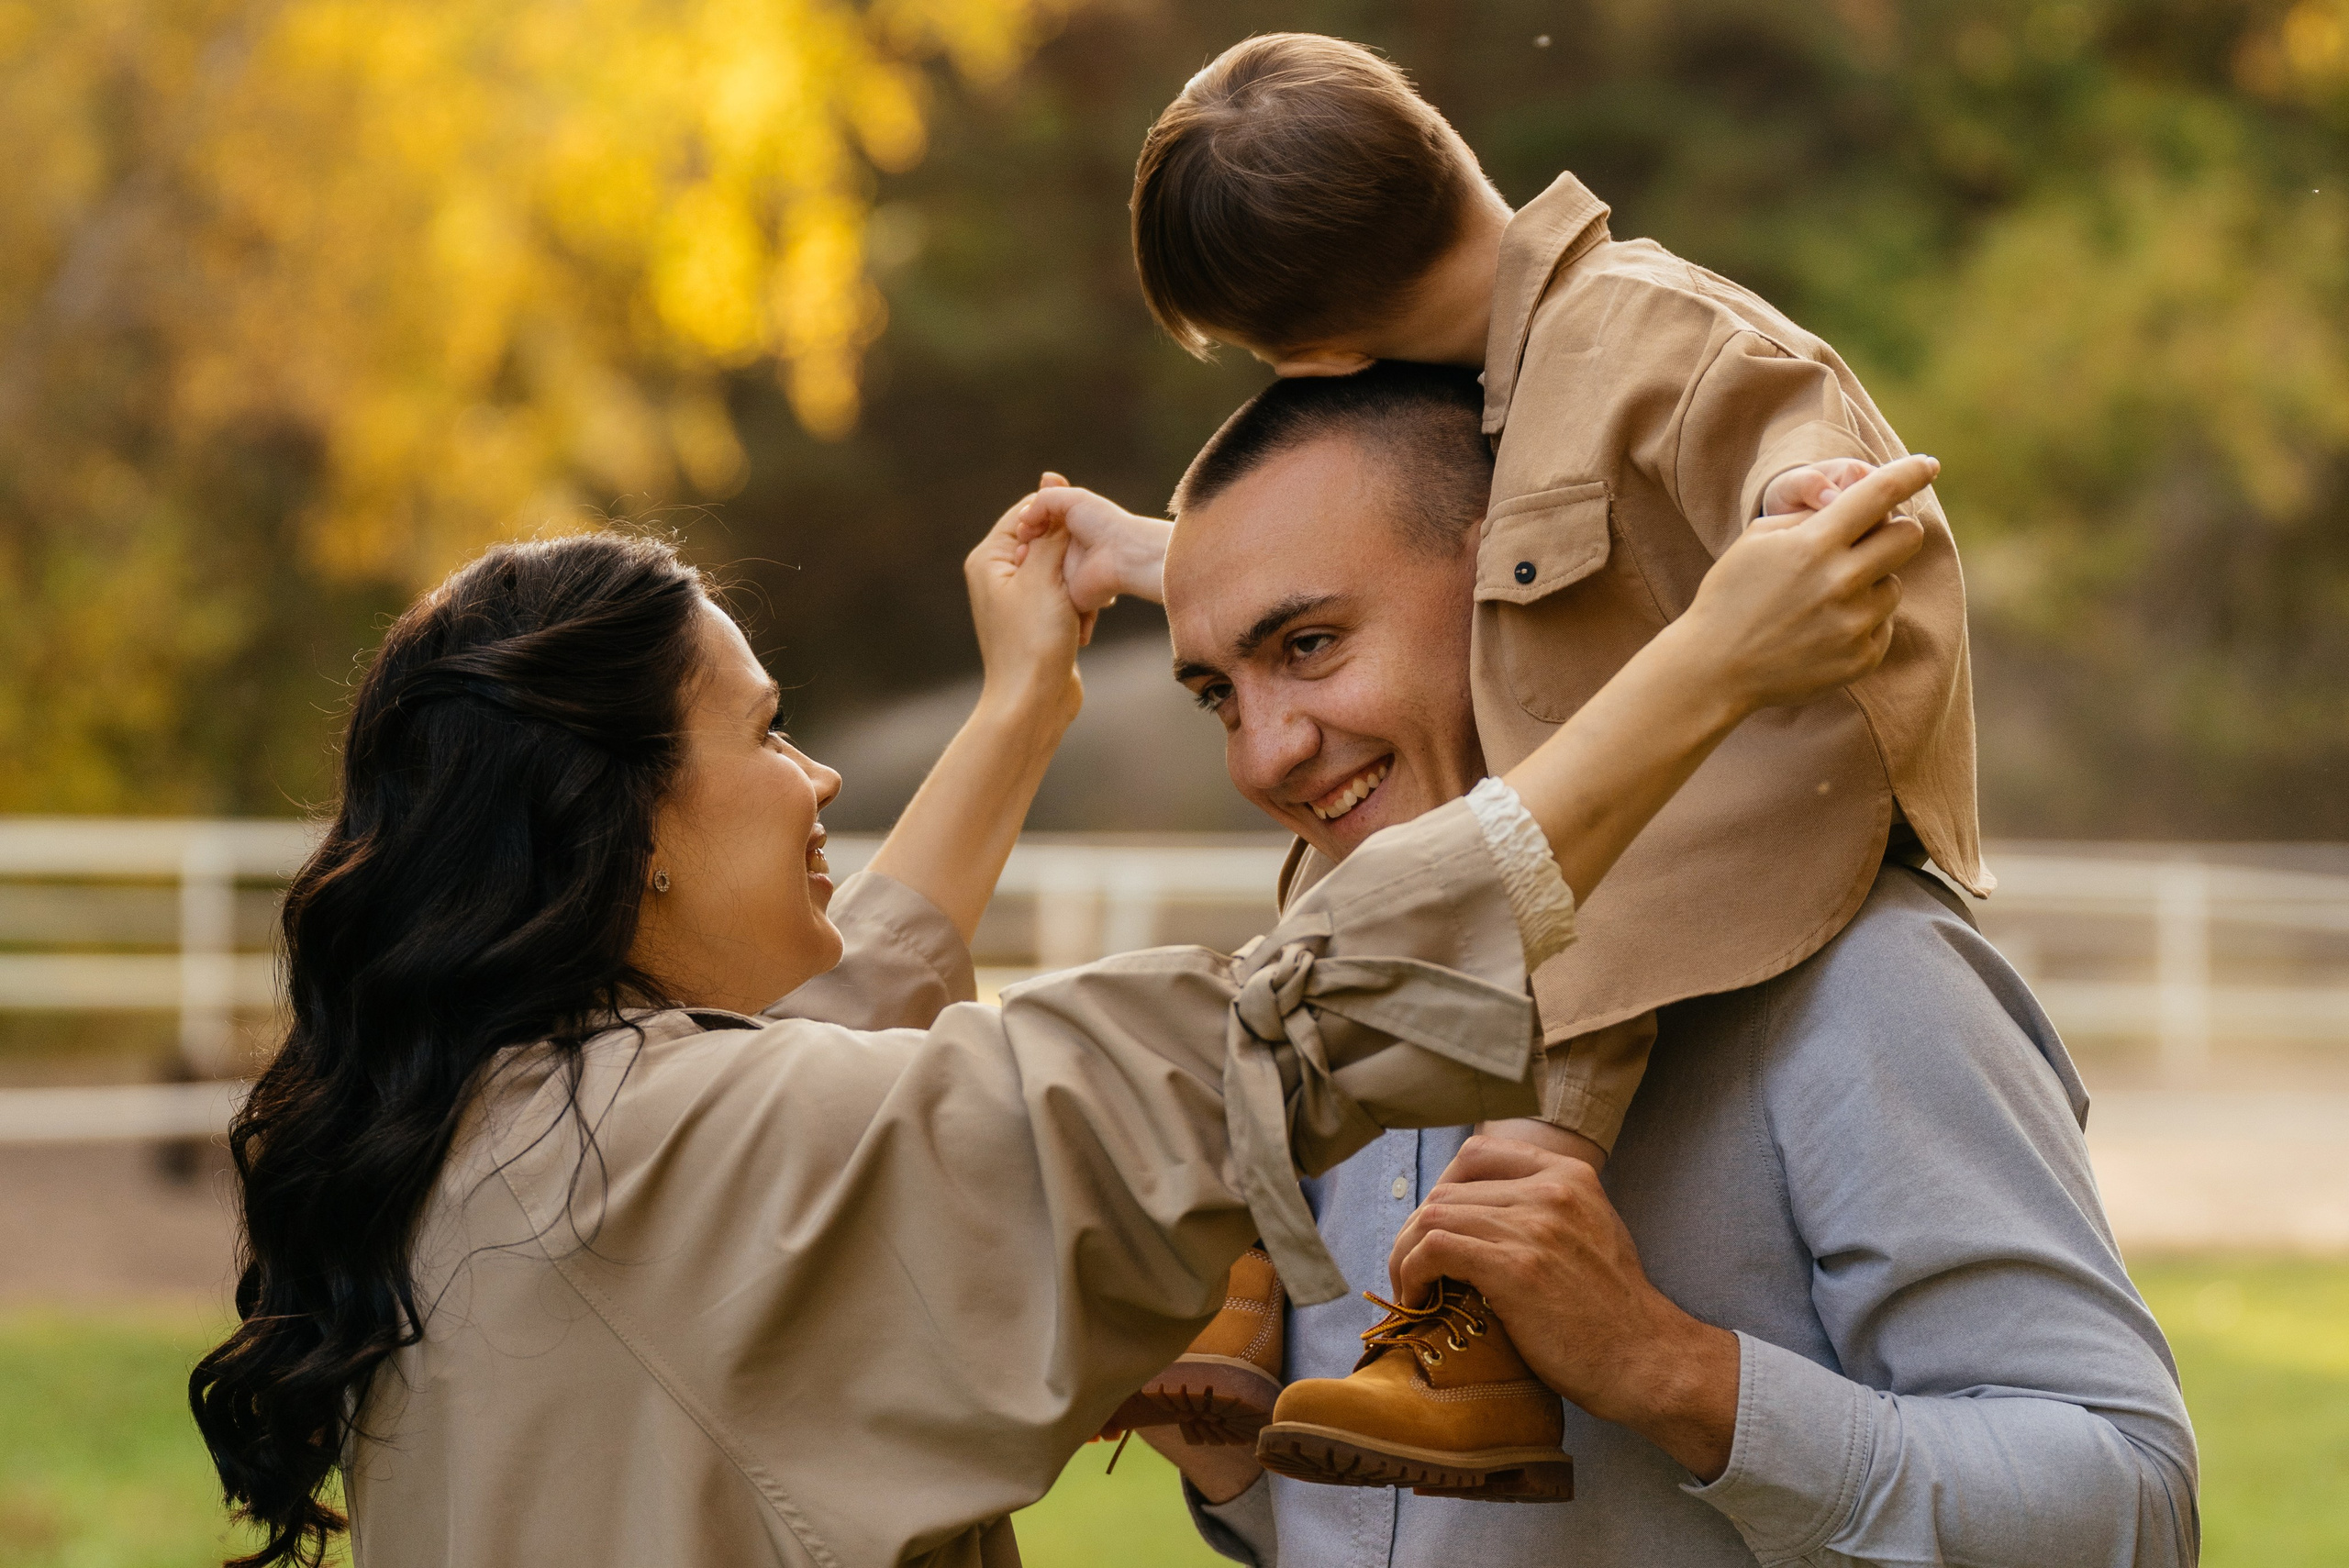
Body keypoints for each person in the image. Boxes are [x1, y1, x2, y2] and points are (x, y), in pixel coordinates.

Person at [186, 463, 1922, 1568]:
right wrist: (1710, 667)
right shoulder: (646, 1167)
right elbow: (1245, 1048)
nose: (818, 775)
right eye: (767, 731)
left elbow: (847, 1025)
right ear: (628, 827)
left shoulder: (515, 1126)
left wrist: (1022, 705)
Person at [1026, 367, 2197, 1565]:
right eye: (1221, 693)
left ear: (1515, 599)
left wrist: (1664, 1367)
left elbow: (2135, 1508)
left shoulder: (1862, 974)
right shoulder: (1333, 1018)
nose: (1266, 754)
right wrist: (1233, 1452)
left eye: (1311, 644)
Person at [1030, 27, 1985, 1484]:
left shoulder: (1655, 331)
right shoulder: (1485, 393)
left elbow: (1789, 447)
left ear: (1315, 355)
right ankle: (1237, 1266)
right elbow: (1399, 579)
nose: (1268, 728)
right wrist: (1155, 552)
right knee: (1348, 903)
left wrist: (1799, 493)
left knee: (1554, 922)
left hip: (1758, 779)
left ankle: (1477, 1320)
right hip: (1626, 791)